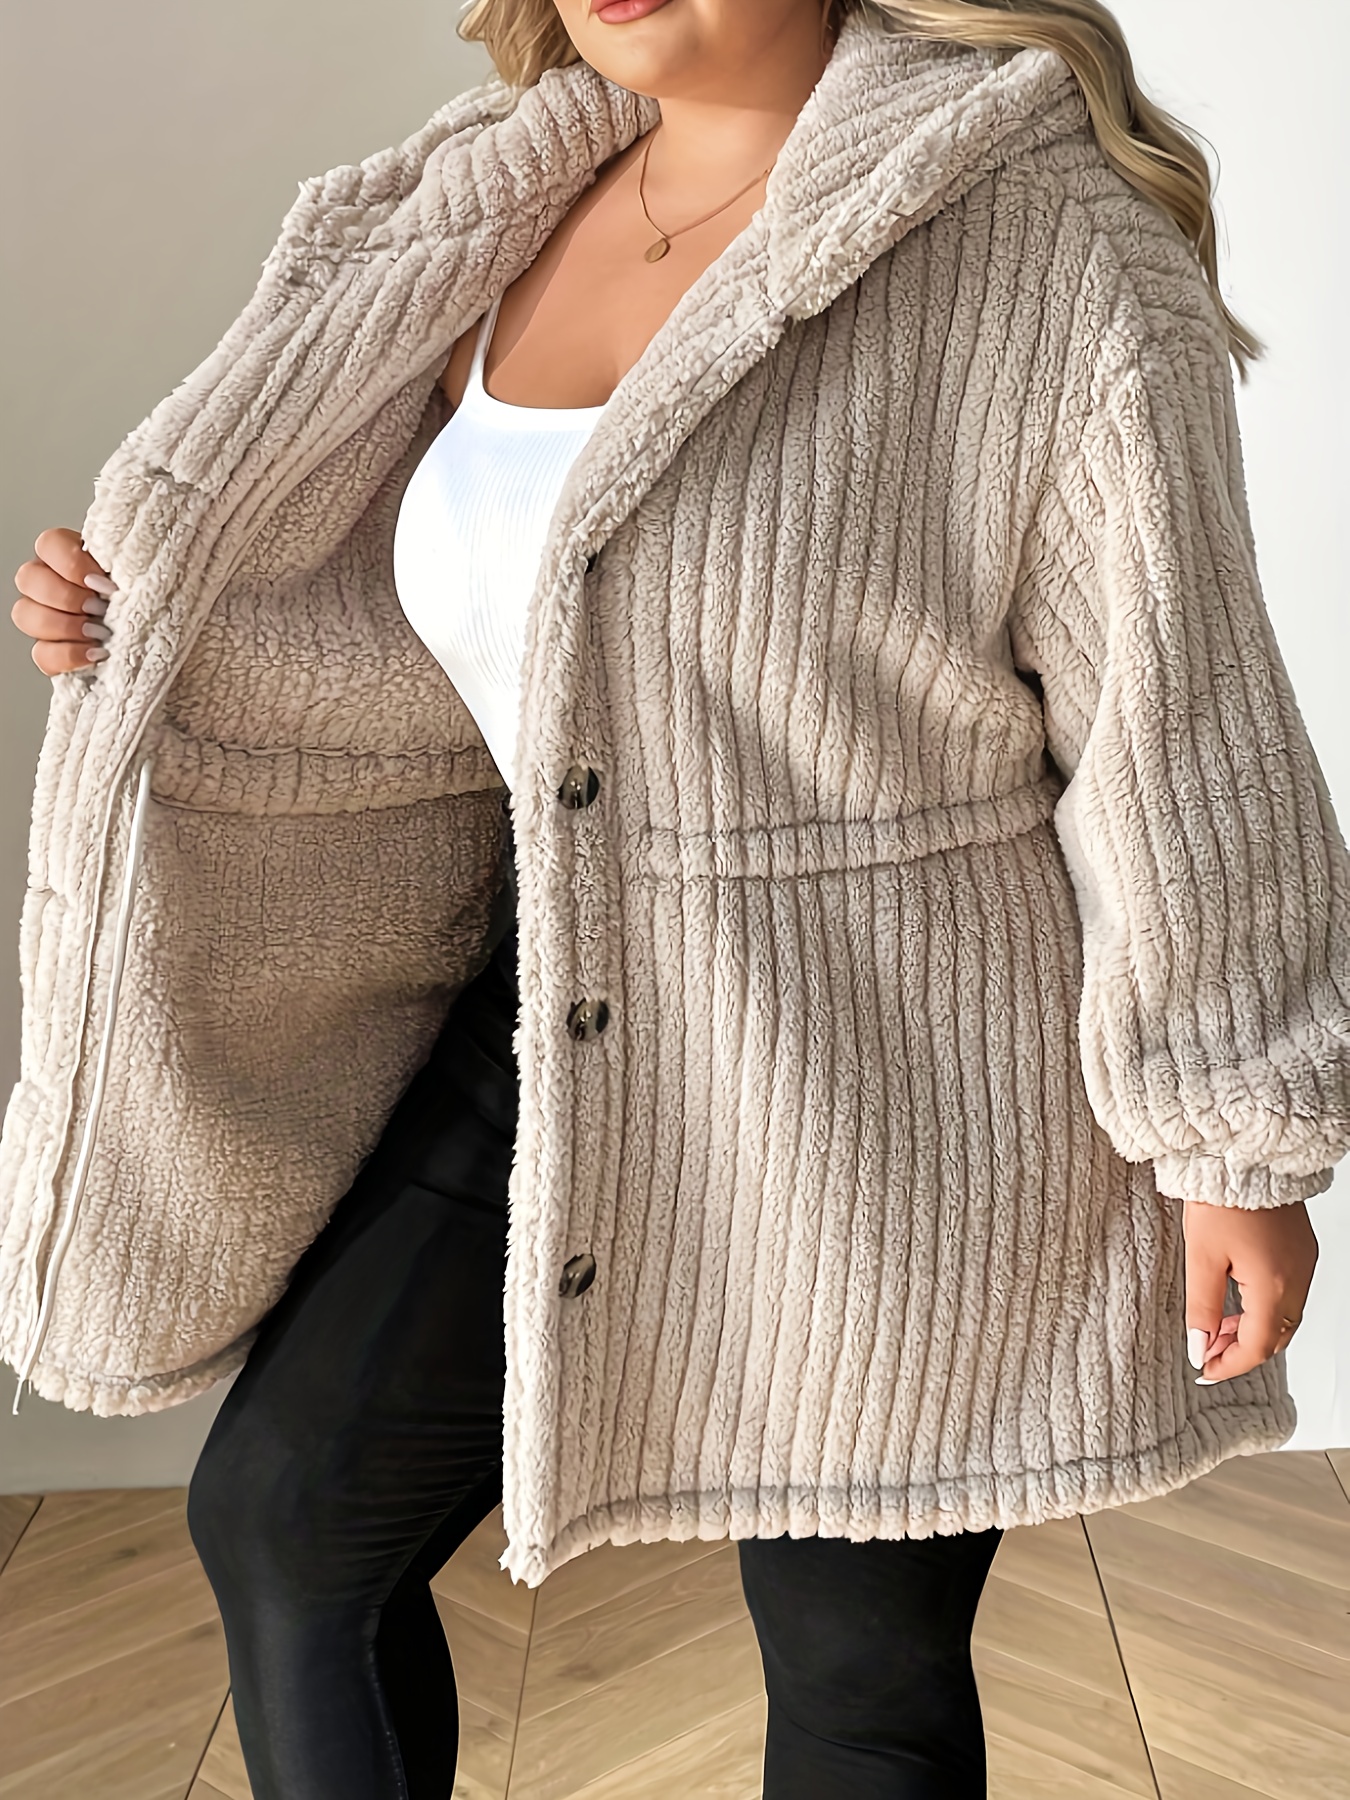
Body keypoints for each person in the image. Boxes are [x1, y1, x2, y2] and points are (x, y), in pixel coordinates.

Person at [5, 1, 1345, 1795]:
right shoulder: (468, 207)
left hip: (900, 1072)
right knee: (289, 1522)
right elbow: (411, 618)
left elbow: (1177, 716)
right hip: (554, 1000)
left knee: (856, 1662)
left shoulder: (1043, 241)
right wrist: (156, 608)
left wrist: (1233, 1142)